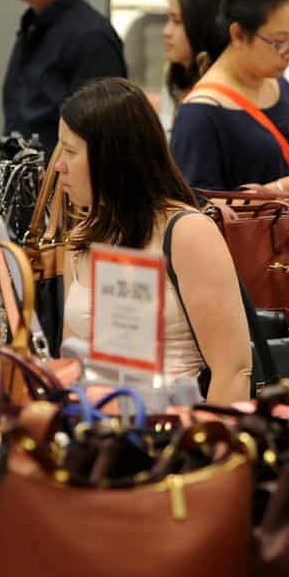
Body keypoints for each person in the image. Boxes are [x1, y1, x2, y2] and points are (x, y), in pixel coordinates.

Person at [57, 78, 252, 405]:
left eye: (71, 152)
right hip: (99, 435)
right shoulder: (81, 239)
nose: (59, 166)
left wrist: (203, 449)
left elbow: (233, 371)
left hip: (174, 433)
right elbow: (73, 365)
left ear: (112, 158)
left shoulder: (188, 233)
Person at [171, 0, 289, 193]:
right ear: (239, 34)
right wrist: (281, 190)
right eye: (280, 41)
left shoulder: (282, 88)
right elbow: (197, 209)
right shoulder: (201, 112)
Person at [3, 0, 126, 155]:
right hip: (25, 187)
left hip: (64, 189)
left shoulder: (92, 38)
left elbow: (101, 146)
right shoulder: (32, 26)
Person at [161, 0, 227, 129]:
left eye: (177, 22)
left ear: (203, 26)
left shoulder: (223, 90)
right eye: (168, 20)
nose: (166, 32)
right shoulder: (174, 72)